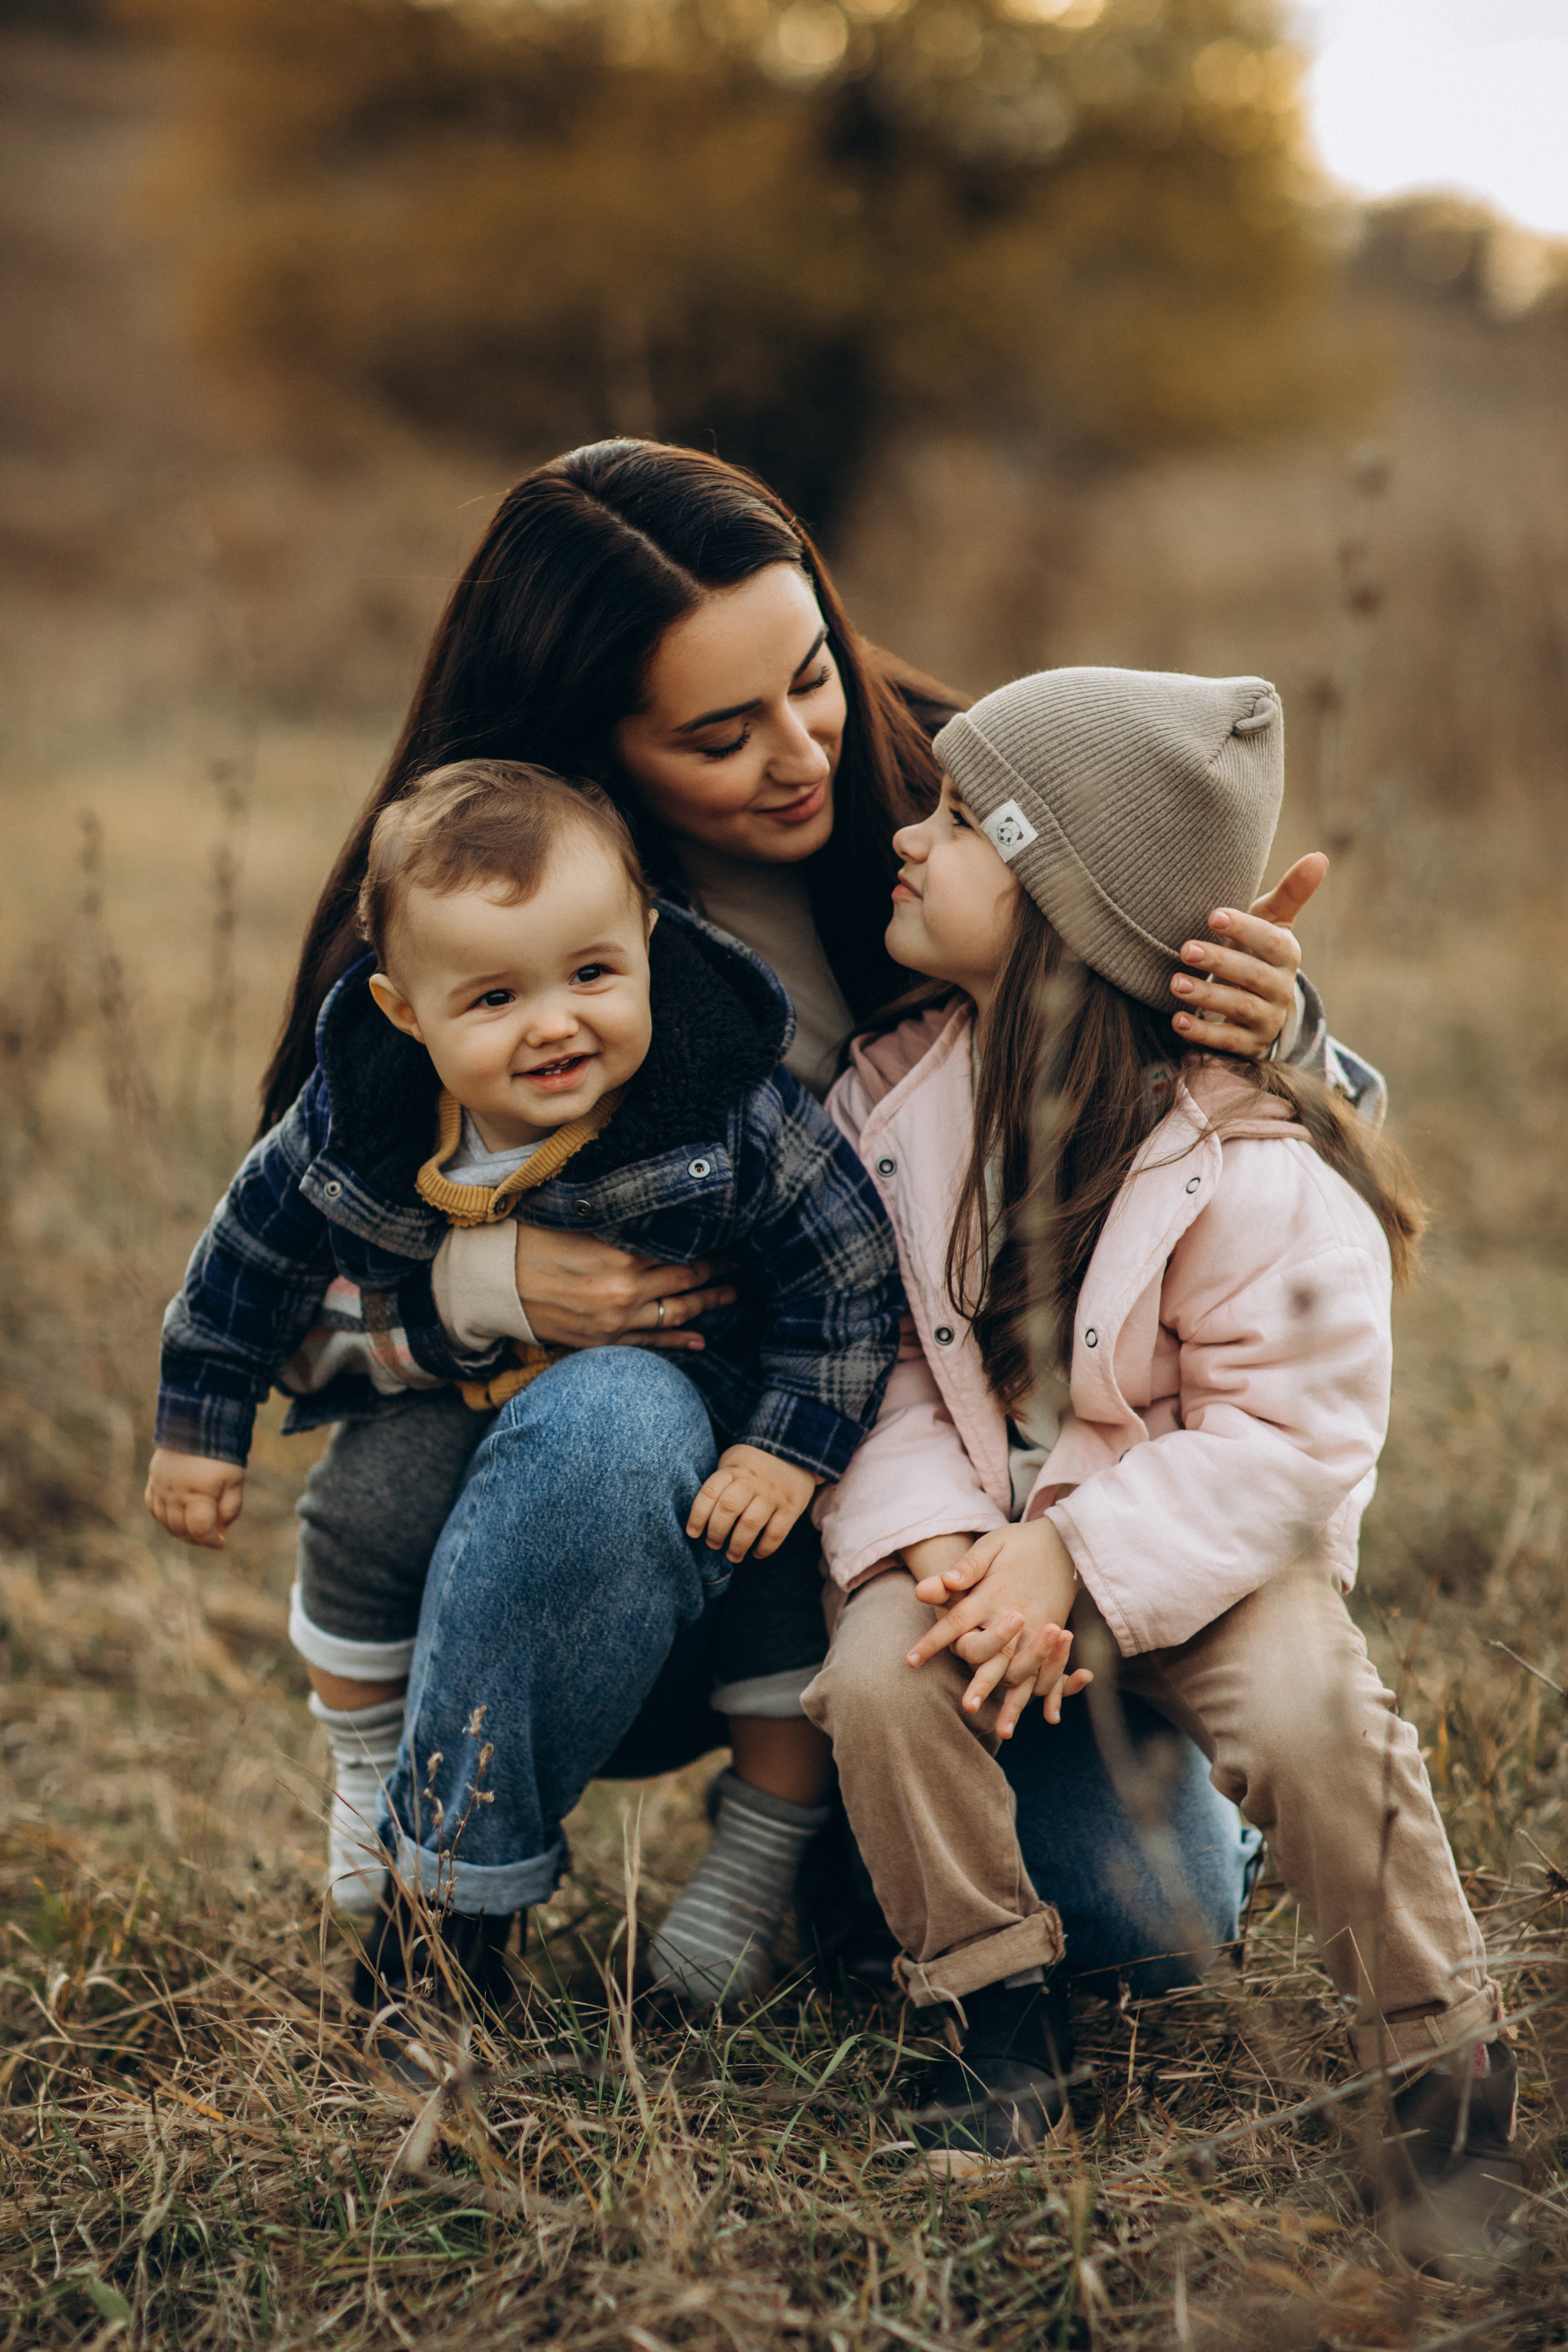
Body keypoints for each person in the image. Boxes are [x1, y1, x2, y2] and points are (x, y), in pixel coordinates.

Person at [257, 440, 1353, 2015]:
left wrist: (1280, 1033)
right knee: (618, 1418)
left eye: (811, 675)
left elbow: (1282, 1197)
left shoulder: (968, 801)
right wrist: (483, 1280)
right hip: (625, 1554)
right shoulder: (460, 915)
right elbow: (269, 1312)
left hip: (948, 1532)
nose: (803, 754)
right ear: (591, 748)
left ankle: (839, 1830)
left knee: (1146, 1926)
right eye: (720, 732)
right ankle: (441, 1933)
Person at [802, 666, 1521, 2269]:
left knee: (1309, 1717)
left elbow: (1289, 1438)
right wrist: (936, 1545)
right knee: (877, 1683)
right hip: (980, 1553)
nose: (902, 845)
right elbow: (881, 1373)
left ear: (1074, 898)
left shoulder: (1252, 1148)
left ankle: (1438, 2059)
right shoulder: (894, 1102)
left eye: (953, 821)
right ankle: (991, 2010)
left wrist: (1080, 1553)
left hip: (1199, 1558)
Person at [146, 760, 901, 1986]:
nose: (556, 1023)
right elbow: (244, 1262)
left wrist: (785, 1444)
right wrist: (199, 1423)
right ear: (405, 1012)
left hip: (705, 1432)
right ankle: (374, 1776)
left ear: (649, 938)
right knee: (357, 1512)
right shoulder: (364, 1112)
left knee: (779, 1590)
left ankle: (763, 1848)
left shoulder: (719, 1102)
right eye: (494, 997)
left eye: (593, 974)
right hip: (457, 1411)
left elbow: (848, 1271)